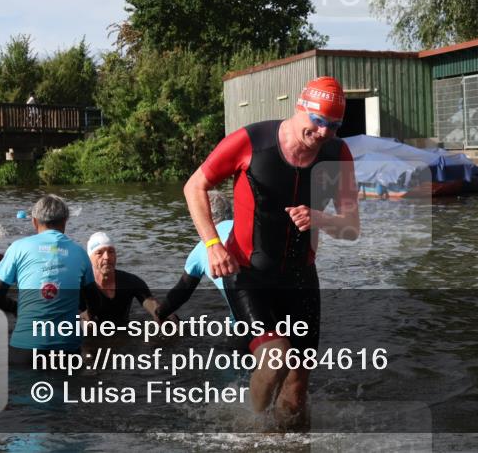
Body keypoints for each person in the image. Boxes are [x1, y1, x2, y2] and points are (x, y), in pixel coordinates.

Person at [183, 76, 360, 424]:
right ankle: (253, 427)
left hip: (300, 279)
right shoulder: (253, 141)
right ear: (300, 107)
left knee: (297, 389)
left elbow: (352, 227)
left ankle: (290, 443)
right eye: (319, 121)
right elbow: (195, 186)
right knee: (275, 358)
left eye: (334, 126)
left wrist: (320, 218)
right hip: (248, 273)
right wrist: (212, 243)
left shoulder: (337, 154)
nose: (324, 133)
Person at [0, 194, 94, 364]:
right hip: (66, 352)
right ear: (65, 221)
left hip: (24, 350)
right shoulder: (80, 253)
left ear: (34, 221)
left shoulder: (18, 248)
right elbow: (95, 304)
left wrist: (17, 308)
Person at [156, 188, 234, 321]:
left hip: (247, 322)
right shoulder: (249, 228)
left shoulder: (202, 248)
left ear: (203, 217)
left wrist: (160, 313)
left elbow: (180, 294)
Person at [82, 232, 160, 325]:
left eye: (111, 251)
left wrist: (163, 314)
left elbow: (152, 305)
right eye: (99, 253)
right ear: (88, 259)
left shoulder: (131, 281)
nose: (107, 257)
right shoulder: (79, 286)